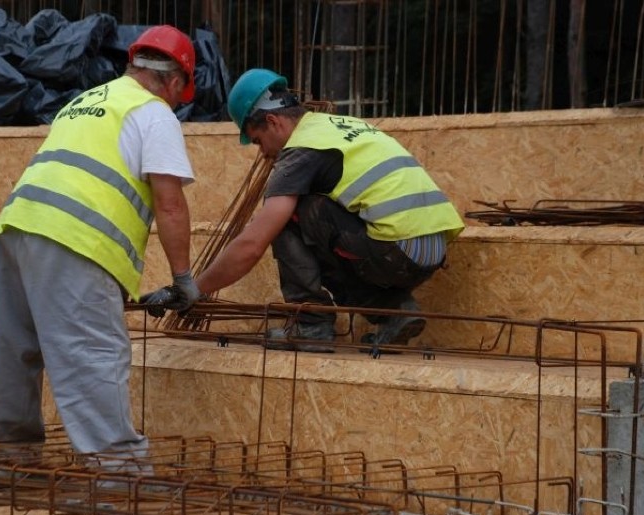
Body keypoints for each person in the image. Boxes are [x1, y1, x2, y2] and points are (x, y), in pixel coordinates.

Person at [0, 25, 201, 469]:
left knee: (18, 352)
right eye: (182, 93)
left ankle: (12, 463)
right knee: (93, 354)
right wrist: (183, 279)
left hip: (17, 227)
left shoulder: (84, 102)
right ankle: (118, 476)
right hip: (74, 237)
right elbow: (170, 204)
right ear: (176, 81)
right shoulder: (154, 112)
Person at [145, 68, 465, 352]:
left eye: (258, 142)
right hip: (432, 250)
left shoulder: (301, 151)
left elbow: (253, 243)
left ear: (272, 121)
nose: (264, 154)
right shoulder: (339, 125)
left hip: (397, 251)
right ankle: (397, 312)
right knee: (323, 221)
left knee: (288, 216)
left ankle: (311, 324)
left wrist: (195, 288)